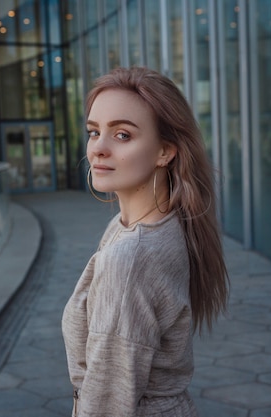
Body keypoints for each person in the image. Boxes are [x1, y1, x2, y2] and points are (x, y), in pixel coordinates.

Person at [62, 67, 229, 416]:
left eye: (122, 135)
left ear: (164, 151)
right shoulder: (152, 223)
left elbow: (109, 403)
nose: (98, 149)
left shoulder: (130, 258)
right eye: (94, 132)